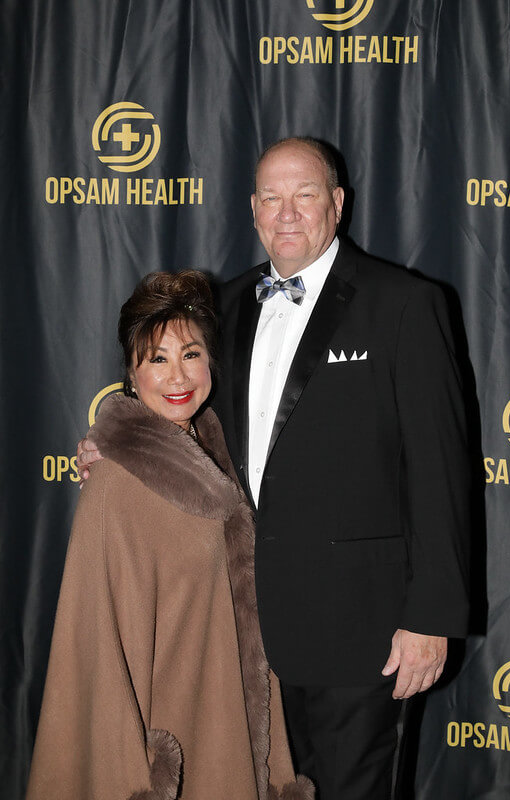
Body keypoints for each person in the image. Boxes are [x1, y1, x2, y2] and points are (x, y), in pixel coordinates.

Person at [78, 138, 471, 800]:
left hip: (365, 633)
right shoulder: (224, 308)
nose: (287, 213)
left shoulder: (403, 303)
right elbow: (184, 413)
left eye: (306, 195)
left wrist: (431, 616)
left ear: (337, 205)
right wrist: (121, 445)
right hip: (247, 630)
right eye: (271, 197)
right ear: (253, 209)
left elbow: (443, 469)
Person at [27, 271, 313, 800]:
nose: (178, 375)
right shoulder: (115, 483)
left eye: (191, 353)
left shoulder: (214, 447)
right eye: (157, 358)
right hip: (170, 739)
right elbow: (95, 653)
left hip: (226, 717)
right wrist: (133, 773)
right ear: (132, 376)